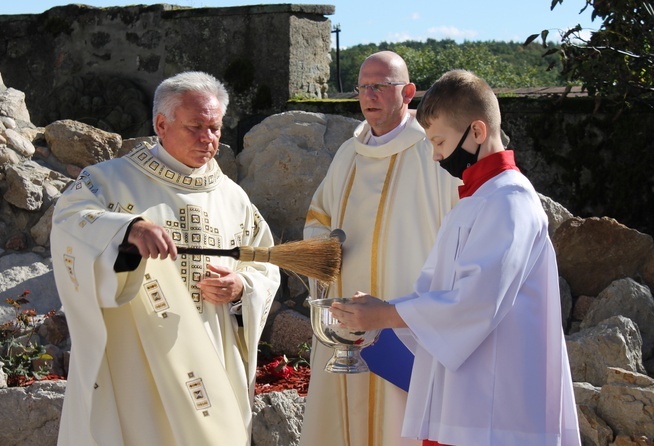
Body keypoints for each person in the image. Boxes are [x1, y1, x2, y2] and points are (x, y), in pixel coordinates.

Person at [330, 69, 581, 446]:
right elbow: (437, 290)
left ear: (477, 132)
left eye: (440, 142)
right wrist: (381, 309)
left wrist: (384, 315)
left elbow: (475, 302)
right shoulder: (477, 200)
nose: (436, 156)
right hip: (468, 398)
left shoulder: (509, 201)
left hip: (497, 407)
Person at [50, 71, 281, 446]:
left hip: (210, 351)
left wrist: (241, 287)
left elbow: (264, 263)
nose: (208, 139)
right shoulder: (107, 181)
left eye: (215, 128)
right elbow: (68, 222)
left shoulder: (233, 198)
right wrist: (127, 230)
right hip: (135, 357)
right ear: (161, 124)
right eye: (195, 127)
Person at [300, 51, 460, 446]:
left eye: (380, 86)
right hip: (346, 318)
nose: (368, 94)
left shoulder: (432, 151)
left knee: (399, 417)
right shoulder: (347, 154)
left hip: (404, 318)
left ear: (408, 92)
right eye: (363, 86)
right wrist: (324, 248)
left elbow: (461, 223)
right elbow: (319, 217)